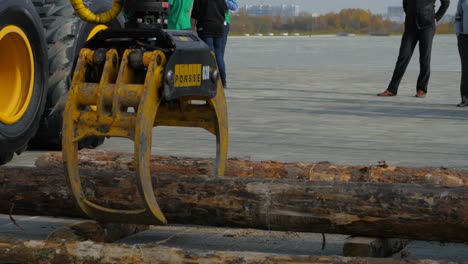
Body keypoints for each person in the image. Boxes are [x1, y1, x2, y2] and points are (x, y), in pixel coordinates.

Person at [378, 0, 450, 98]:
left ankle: (422, 89)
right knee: (403, 57)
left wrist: (436, 18)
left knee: (425, 58)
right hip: (410, 26)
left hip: (427, 26)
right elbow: (405, 3)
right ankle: (392, 89)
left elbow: (446, 3)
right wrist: (411, 14)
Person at [191, 0, 228, 88]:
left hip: (205, 28)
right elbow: (225, 11)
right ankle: (223, 81)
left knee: (208, 55)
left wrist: (192, 30)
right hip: (219, 27)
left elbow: (194, 15)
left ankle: (208, 81)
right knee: (218, 55)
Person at [220, 0, 238, 88]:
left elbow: (234, 6)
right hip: (208, 21)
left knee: (220, 53)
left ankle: (221, 80)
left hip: (223, 23)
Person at [455, 0, 468, 106]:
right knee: (466, 68)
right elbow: (458, 15)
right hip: (464, 38)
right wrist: (458, 33)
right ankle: (465, 98)